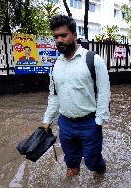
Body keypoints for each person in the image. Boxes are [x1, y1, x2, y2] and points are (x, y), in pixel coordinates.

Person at [42, 15, 111, 177]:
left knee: (92, 163)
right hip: (65, 124)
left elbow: (104, 93)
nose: (59, 40)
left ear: (74, 35)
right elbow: (54, 96)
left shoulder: (93, 60)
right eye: (56, 37)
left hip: (89, 123)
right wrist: (46, 121)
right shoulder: (55, 65)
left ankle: (100, 174)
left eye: (63, 35)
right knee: (71, 162)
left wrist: (99, 122)